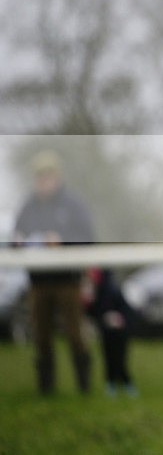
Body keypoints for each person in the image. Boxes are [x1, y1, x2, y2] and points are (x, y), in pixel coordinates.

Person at [12, 150, 94, 395]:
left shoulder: (73, 204)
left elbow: (88, 238)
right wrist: (19, 242)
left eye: (47, 176)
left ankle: (84, 386)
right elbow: (18, 236)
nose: (43, 182)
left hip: (67, 280)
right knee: (41, 335)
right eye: (39, 177)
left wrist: (62, 242)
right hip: (38, 281)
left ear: (57, 177)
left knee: (75, 333)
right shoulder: (28, 207)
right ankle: (46, 389)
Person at [84, 268, 137, 397]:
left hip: (120, 332)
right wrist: (88, 305)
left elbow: (126, 309)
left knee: (120, 359)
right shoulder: (94, 291)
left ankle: (126, 384)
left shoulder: (113, 290)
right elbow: (94, 313)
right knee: (108, 359)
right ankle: (112, 384)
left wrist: (121, 320)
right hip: (106, 332)